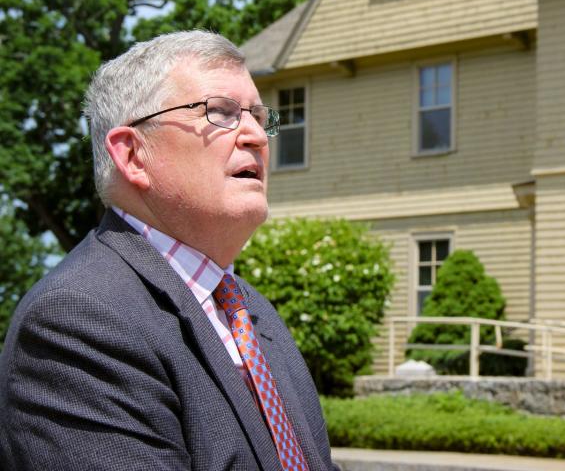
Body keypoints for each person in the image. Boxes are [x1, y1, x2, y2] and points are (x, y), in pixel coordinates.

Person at [0, 31, 339, 471]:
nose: (256, 134)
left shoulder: (252, 313)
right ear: (133, 154)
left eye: (258, 116)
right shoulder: (79, 319)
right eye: (220, 112)